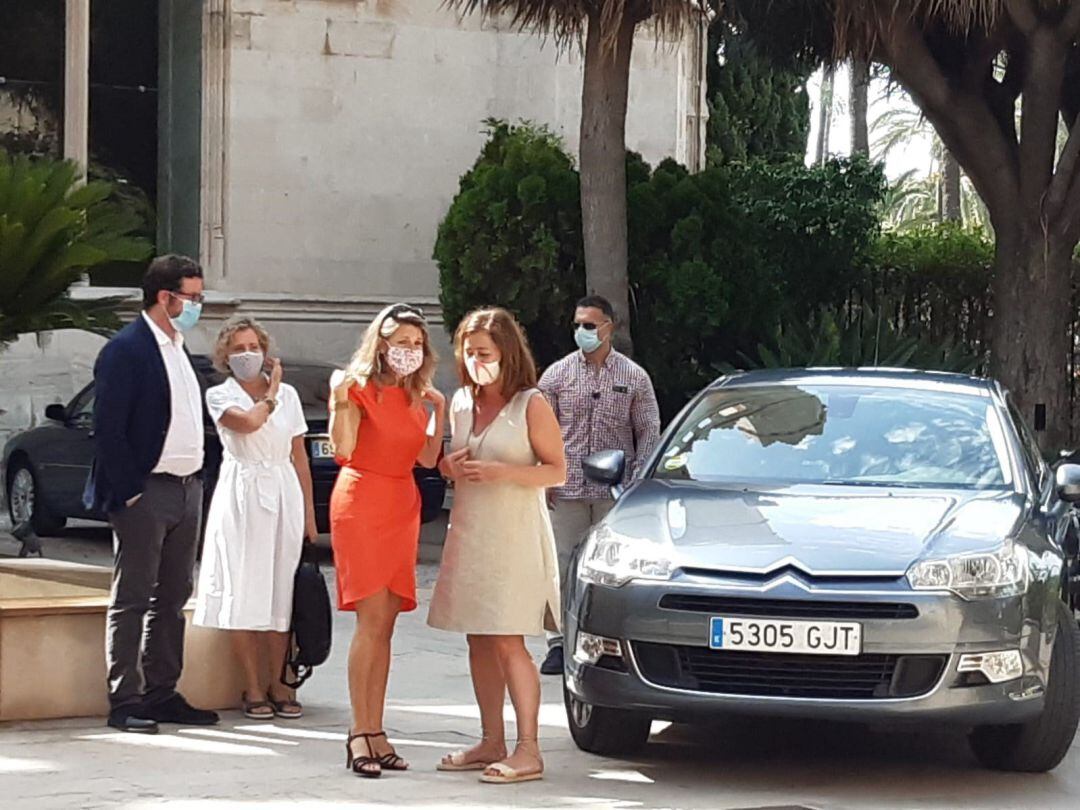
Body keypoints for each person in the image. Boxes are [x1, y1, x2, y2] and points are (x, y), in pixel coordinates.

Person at [428, 307, 566, 785]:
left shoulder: (531, 404)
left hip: (514, 535)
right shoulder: (462, 401)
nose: (473, 361)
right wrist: (451, 467)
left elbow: (557, 470)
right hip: (470, 531)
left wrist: (503, 473)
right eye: (467, 352)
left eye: (482, 352)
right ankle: (491, 738)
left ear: (506, 353)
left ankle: (529, 748)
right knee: (478, 636)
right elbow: (447, 462)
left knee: (509, 638)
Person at [84, 254, 220, 734]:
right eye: (193, 297)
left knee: (174, 595)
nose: (198, 306)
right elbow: (108, 429)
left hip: (187, 489)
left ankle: (163, 691)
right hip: (147, 492)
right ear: (166, 297)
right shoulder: (127, 349)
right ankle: (126, 699)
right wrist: (130, 493)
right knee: (134, 595)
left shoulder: (178, 347)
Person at [329, 303, 445, 778]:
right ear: (381, 343)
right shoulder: (356, 389)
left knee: (388, 623)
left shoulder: (416, 396)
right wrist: (339, 400)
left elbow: (429, 458)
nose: (410, 352)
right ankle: (360, 730)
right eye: (402, 343)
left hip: (402, 500)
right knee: (371, 619)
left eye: (417, 344)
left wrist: (439, 411)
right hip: (363, 499)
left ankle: (376, 730)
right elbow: (342, 449)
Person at [193, 316, 317, 720]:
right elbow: (247, 424)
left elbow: (299, 457)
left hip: (282, 490)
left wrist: (311, 517)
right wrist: (273, 392)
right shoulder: (220, 395)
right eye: (238, 348)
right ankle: (251, 684)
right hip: (242, 490)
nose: (248, 354)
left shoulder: (292, 397)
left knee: (281, 590)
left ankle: (280, 680)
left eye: (253, 346)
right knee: (245, 587)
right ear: (226, 356)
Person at [537, 295, 661, 675]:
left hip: (613, 493)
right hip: (566, 489)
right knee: (560, 566)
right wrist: (542, 477)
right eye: (578, 325)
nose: (583, 332)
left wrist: (636, 484)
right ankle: (557, 642)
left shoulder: (633, 377)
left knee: (611, 570)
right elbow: (540, 431)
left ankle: (603, 640)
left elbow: (648, 430)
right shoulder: (556, 376)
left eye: (590, 325)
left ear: (609, 327)